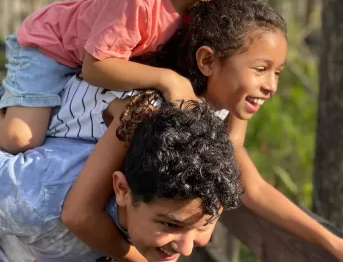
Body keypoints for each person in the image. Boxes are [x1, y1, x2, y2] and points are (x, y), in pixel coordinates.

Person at [62, 0, 343, 261]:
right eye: (260, 69)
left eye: (277, 72)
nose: (271, 86)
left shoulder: (227, 109)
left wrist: (332, 242)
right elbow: (78, 213)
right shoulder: (150, 111)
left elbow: (252, 188)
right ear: (208, 61)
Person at [0, 0, 244, 152]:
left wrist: (236, 128)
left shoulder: (210, 6)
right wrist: (168, 79)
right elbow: (95, 67)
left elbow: (238, 62)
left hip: (95, 50)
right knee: (20, 138)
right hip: (52, 45)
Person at [0, 100, 243, 262]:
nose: (187, 249)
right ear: (122, 189)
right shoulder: (37, 201)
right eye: (170, 225)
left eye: (204, 225)